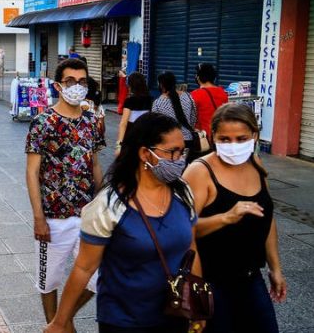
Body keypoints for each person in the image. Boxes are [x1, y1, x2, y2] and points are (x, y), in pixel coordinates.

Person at [45, 112, 201, 333]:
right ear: (145, 154)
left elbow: (191, 249)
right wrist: (60, 321)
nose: (180, 159)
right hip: (124, 320)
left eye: (182, 151)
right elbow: (84, 267)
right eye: (172, 152)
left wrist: (197, 302)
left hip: (174, 313)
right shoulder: (109, 204)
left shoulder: (182, 192)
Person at [182, 104, 286, 333]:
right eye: (225, 139)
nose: (233, 146)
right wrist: (225, 217)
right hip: (212, 282)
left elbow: (266, 219)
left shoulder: (256, 164)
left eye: (241, 138)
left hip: (250, 279)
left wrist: (275, 268)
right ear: (213, 137)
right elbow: (182, 232)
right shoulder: (199, 171)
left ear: (255, 136)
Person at [25, 58, 103, 325]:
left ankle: (60, 321)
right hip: (53, 218)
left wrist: (101, 202)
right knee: (49, 281)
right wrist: (38, 218)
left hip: (88, 216)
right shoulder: (43, 122)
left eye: (82, 82)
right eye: (70, 81)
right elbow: (32, 172)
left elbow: (95, 164)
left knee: (97, 279)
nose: (77, 87)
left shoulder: (92, 121)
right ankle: (55, 324)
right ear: (58, 85)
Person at [152, 72, 198, 157]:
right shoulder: (187, 96)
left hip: (170, 142)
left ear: (161, 85)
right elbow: (193, 117)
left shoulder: (158, 103)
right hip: (189, 140)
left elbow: (156, 127)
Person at [116, 72, 153, 156]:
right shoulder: (149, 100)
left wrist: (119, 145)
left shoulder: (130, 101)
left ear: (131, 85)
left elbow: (123, 124)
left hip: (131, 137)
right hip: (145, 137)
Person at [191, 63, 228, 140]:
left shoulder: (194, 94)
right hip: (220, 135)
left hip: (203, 138)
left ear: (198, 78)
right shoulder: (222, 93)